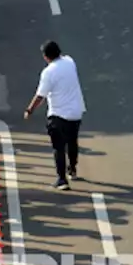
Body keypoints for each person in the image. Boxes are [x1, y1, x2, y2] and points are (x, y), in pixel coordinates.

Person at [23, 40, 86, 190]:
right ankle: (73, 169)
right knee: (72, 141)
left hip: (58, 113)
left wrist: (29, 110)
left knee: (58, 147)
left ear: (46, 57)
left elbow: (40, 95)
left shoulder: (48, 72)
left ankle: (62, 179)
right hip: (76, 111)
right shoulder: (70, 62)